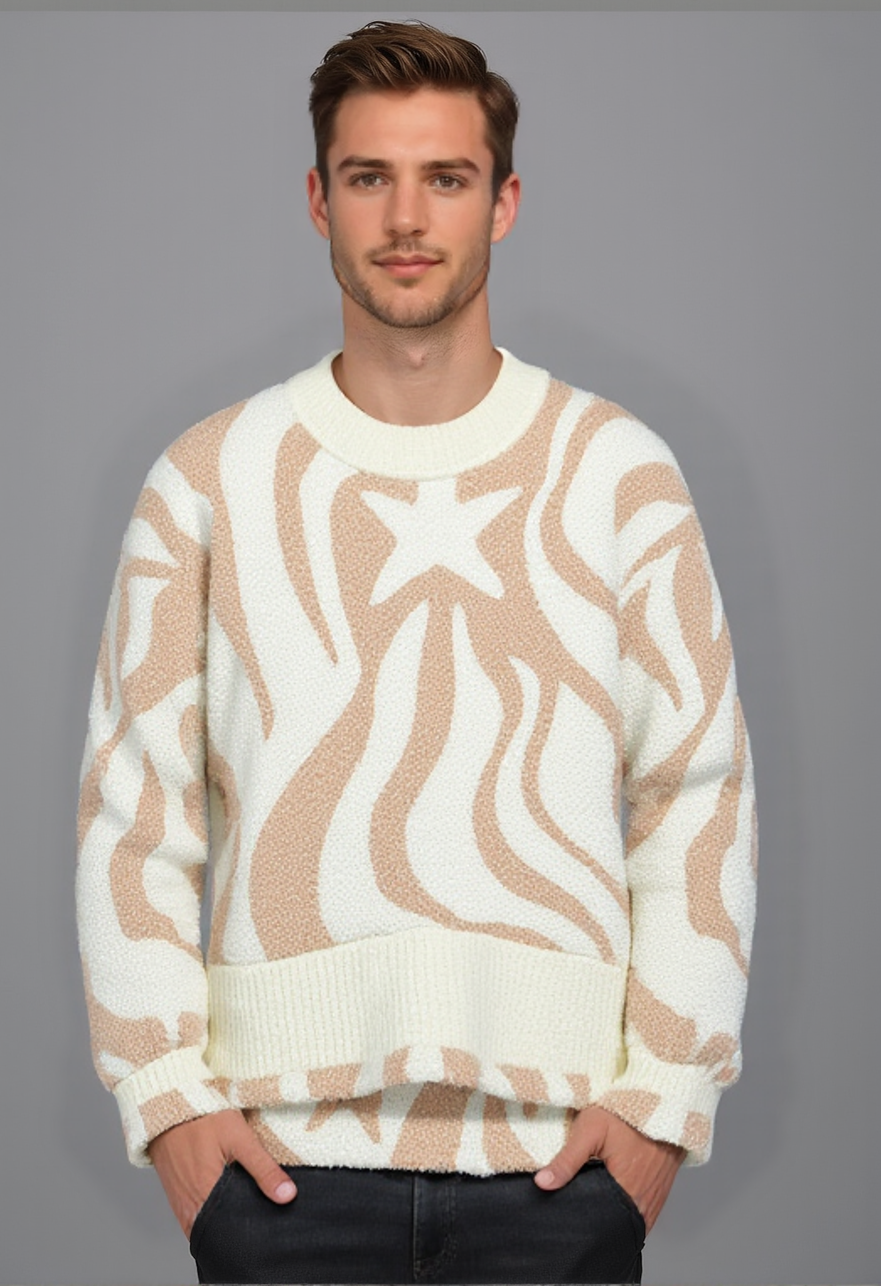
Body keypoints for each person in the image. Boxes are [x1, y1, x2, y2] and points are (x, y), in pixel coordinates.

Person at [75, 19, 758, 1286]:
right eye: (367, 177)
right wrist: (166, 1102)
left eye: (445, 177)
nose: (405, 217)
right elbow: (135, 812)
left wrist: (663, 1103)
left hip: (561, 1169)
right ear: (316, 200)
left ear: (503, 203)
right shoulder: (208, 480)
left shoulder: (619, 474)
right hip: (277, 1174)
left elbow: (696, 794)